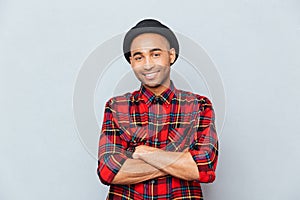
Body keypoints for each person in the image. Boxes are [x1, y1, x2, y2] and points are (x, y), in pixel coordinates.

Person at [97, 19, 218, 200]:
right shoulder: (116, 107)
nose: (147, 65)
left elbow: (204, 167)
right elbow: (109, 172)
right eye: (139, 57)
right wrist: (180, 162)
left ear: (170, 56)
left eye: (155, 54)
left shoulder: (199, 106)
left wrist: (145, 153)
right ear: (131, 62)